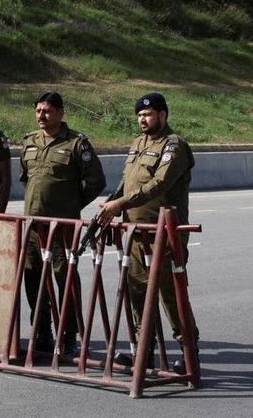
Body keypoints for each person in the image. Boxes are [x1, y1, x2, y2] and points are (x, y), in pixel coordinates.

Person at [96, 92, 199, 373]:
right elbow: (127, 181)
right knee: (138, 290)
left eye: (148, 114)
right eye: (140, 115)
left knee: (170, 293)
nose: (142, 119)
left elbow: (159, 184)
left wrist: (120, 204)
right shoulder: (138, 143)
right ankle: (144, 350)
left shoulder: (174, 146)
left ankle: (189, 352)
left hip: (163, 233)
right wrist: (111, 203)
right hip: (136, 232)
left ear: (162, 115)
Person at [20, 91, 106, 357]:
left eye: (47, 111)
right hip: (34, 225)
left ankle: (69, 335)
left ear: (60, 112)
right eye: (38, 111)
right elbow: (26, 178)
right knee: (33, 277)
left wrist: (71, 205)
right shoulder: (30, 141)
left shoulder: (76, 143)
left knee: (64, 278)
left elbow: (96, 181)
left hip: (62, 227)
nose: (41, 116)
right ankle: (42, 331)